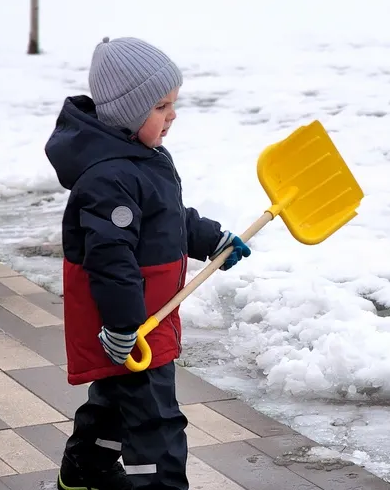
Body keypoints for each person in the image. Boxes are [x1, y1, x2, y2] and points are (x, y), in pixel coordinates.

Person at [44, 36, 252, 490]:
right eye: (160, 106)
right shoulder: (109, 177)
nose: (172, 115)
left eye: (172, 103)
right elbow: (111, 259)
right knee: (156, 423)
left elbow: (166, 217)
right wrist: (123, 326)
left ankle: (84, 471)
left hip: (145, 319)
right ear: (126, 112)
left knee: (116, 404)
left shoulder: (142, 160)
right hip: (131, 326)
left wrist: (211, 238)